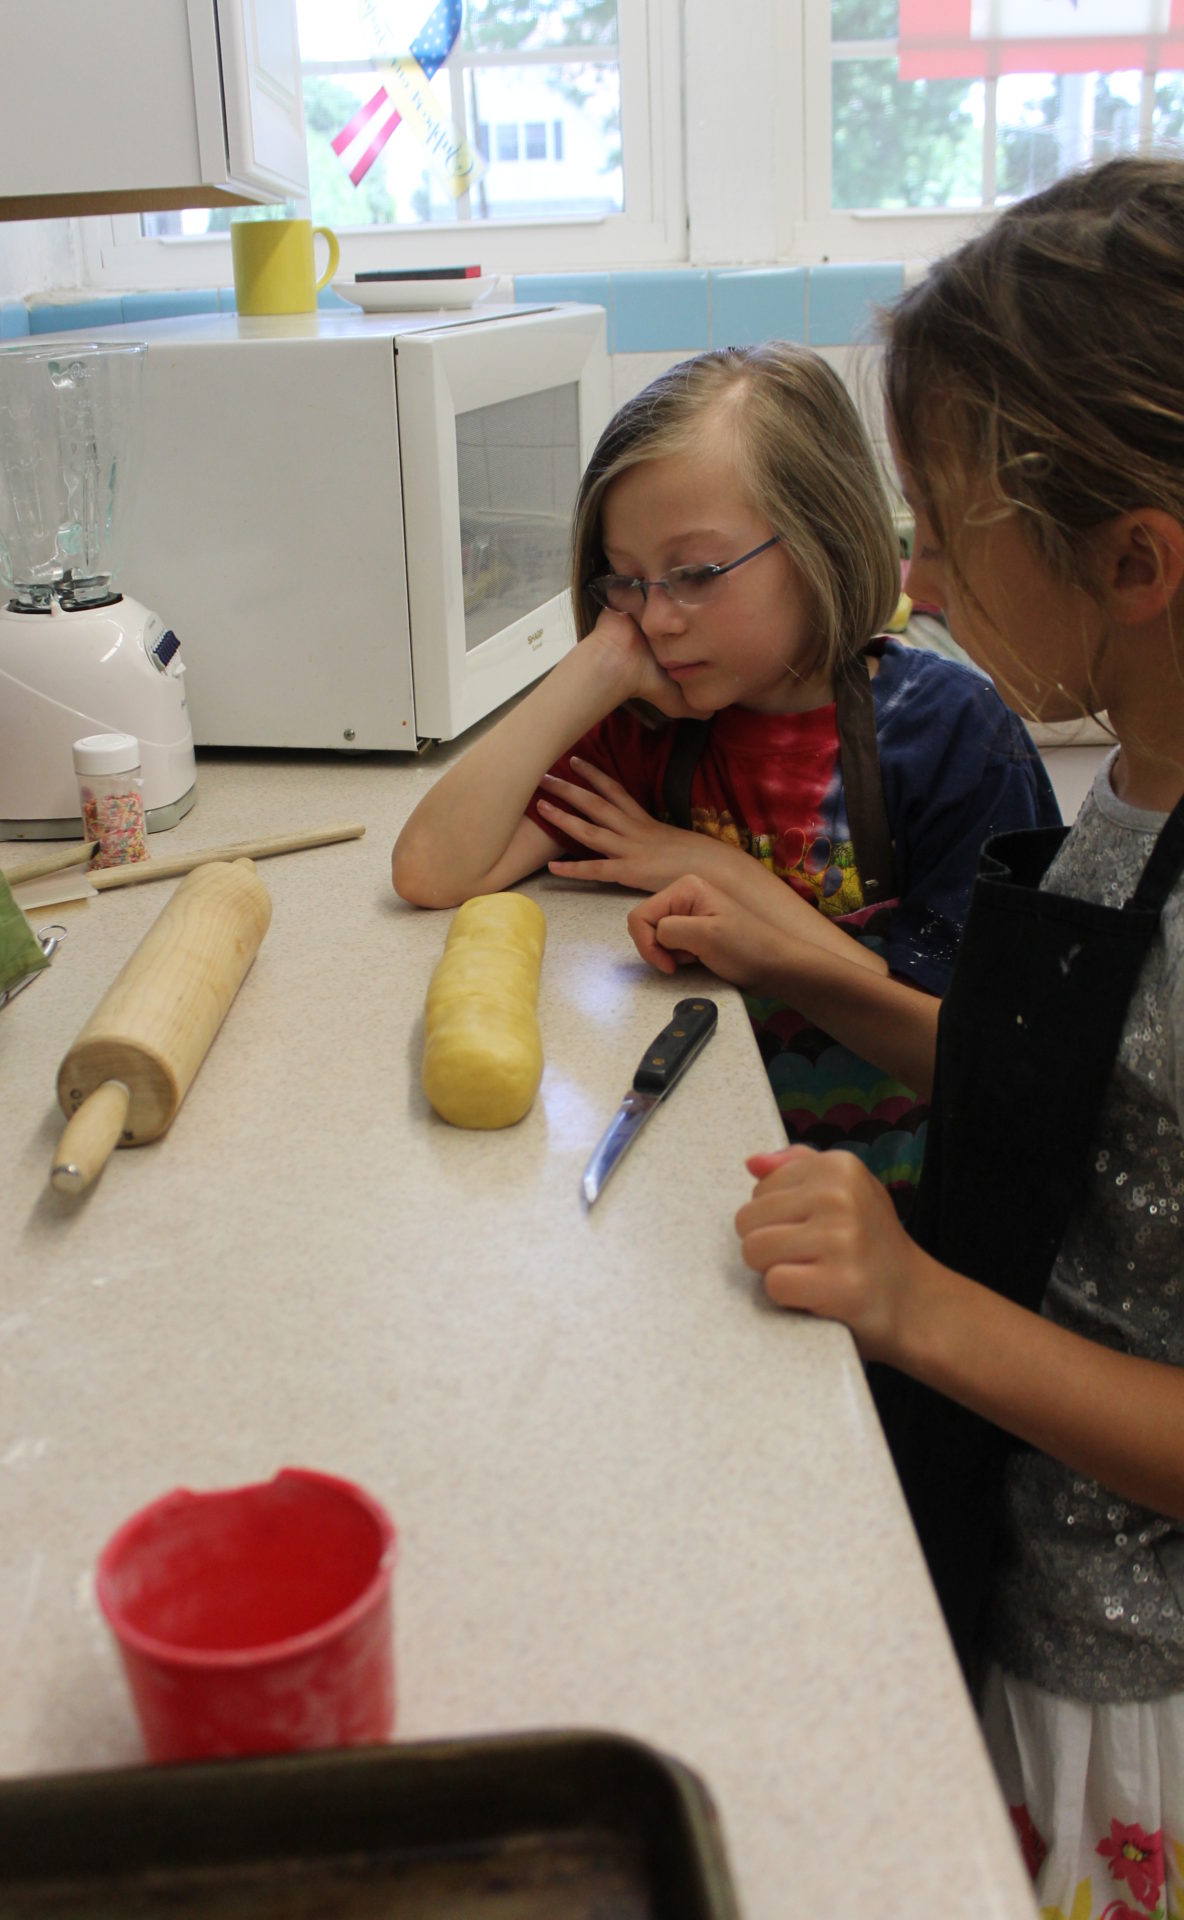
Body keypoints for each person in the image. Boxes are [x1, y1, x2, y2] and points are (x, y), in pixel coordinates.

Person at [730, 156, 1184, 1916]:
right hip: (1032, 1569)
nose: (907, 574)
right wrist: (827, 975)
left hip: (1137, 1688)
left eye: (933, 521)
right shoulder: (1136, 787)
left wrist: (917, 1302)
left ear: (1135, 560)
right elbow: (1105, 1101)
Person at [393, 343, 1058, 1212]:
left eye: (697, 575)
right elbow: (432, 869)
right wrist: (597, 663)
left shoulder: (952, 740)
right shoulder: (646, 729)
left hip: (903, 1214)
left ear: (818, 533)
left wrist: (719, 874)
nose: (658, 620)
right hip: (704, 1193)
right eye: (626, 579)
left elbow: (960, 1047)